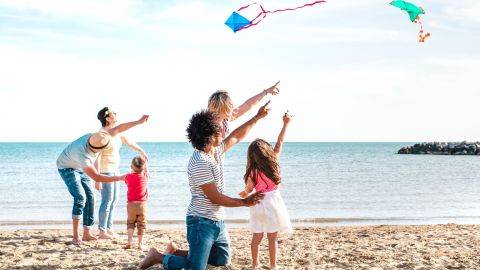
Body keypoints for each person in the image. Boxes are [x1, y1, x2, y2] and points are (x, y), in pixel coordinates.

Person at [138, 101, 271, 270]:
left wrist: (257, 117)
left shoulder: (215, 151)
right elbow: (215, 197)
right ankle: (157, 256)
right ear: (210, 137)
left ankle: (175, 252)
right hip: (201, 222)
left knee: (221, 261)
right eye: (219, 129)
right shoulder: (199, 162)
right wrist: (244, 202)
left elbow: (236, 136)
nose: (223, 131)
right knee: (196, 268)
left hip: (218, 221)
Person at [56, 115, 149, 245]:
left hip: (78, 165)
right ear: (98, 150)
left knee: (91, 196)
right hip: (67, 167)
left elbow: (120, 128)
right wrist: (120, 178)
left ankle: (87, 233)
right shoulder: (83, 155)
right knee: (80, 198)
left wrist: (139, 122)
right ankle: (76, 237)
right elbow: (96, 177)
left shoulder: (98, 137)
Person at [239, 112, 293, 270]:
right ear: (266, 151)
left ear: (251, 156)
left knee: (256, 237)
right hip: (273, 203)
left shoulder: (252, 172)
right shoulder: (274, 161)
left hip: (259, 203)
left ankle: (255, 265)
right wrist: (286, 123)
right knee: (272, 238)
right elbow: (280, 141)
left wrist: (244, 193)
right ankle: (273, 266)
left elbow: (248, 189)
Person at [95, 107, 149, 239]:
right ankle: (102, 231)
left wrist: (141, 151)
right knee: (106, 201)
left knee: (114, 200)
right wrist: (97, 179)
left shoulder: (116, 133)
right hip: (105, 171)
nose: (116, 113)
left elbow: (129, 142)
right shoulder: (102, 134)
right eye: (113, 113)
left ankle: (109, 228)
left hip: (115, 170)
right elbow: (97, 157)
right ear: (107, 118)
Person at [208, 81, 280, 138]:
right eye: (230, 105)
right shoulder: (206, 125)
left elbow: (247, 105)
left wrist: (266, 91)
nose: (233, 107)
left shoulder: (224, 119)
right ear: (223, 108)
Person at [124, 155, 149, 250]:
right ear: (143, 168)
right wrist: (145, 163)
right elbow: (146, 170)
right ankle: (140, 244)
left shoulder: (128, 177)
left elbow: (126, 178)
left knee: (130, 223)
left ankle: (129, 242)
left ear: (131, 167)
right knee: (141, 224)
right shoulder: (145, 177)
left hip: (131, 205)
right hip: (142, 205)